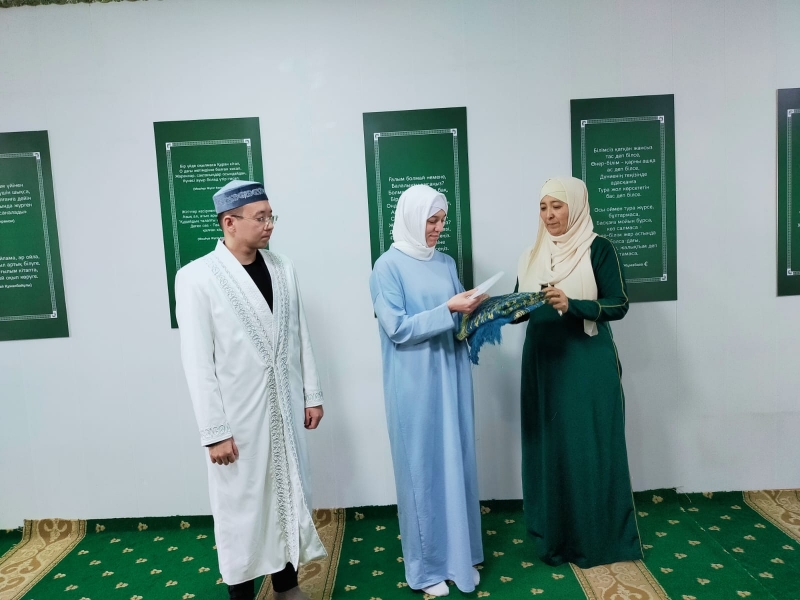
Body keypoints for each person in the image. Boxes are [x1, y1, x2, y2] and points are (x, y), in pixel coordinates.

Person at [175, 180, 326, 600]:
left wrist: (311, 393)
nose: (269, 224)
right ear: (230, 222)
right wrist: (214, 432)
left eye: (270, 216)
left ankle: (287, 586)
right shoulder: (196, 278)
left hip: (284, 405)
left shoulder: (283, 267)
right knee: (241, 510)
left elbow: (299, 333)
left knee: (289, 493)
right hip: (237, 418)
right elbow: (197, 362)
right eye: (260, 217)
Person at [515, 176, 642, 569]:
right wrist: (501, 309)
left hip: (586, 362)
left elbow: (618, 303)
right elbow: (522, 306)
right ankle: (554, 538)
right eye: (543, 207)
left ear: (576, 206)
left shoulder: (598, 248)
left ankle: (596, 539)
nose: (549, 215)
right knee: (550, 447)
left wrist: (573, 305)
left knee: (589, 447)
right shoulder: (531, 253)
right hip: (543, 362)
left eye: (557, 206)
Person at [369, 185, 485, 597]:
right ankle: (427, 568)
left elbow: (457, 319)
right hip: (414, 381)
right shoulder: (386, 267)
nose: (437, 228)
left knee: (457, 460)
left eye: (441, 221)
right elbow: (397, 328)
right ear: (411, 218)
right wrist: (448, 308)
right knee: (422, 469)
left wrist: (479, 310)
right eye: (431, 221)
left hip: (451, 374)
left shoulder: (446, 262)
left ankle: (460, 557)